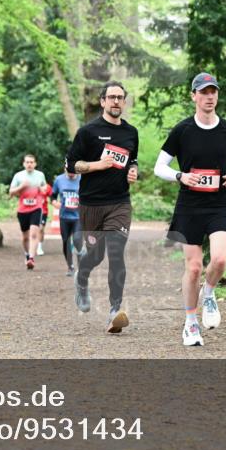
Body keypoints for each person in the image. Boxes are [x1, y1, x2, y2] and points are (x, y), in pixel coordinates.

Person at [154, 73, 226, 347]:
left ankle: (210, 292)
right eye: (203, 92)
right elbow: (159, 167)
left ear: (217, 96)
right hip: (189, 207)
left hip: (218, 205)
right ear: (193, 96)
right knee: (193, 268)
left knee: (218, 261)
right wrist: (180, 176)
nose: (209, 97)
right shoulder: (182, 130)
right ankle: (191, 324)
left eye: (213, 92)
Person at [66, 81, 139, 333]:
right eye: (112, 97)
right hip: (91, 204)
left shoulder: (131, 133)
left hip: (119, 203)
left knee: (116, 253)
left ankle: (114, 310)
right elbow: (71, 165)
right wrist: (97, 165)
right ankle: (81, 279)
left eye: (120, 97)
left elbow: (133, 161)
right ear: (103, 101)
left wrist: (133, 171)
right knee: (95, 255)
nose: (116, 101)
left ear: (124, 101)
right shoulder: (88, 132)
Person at [9, 154, 47, 270]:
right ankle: (27, 254)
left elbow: (45, 189)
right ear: (24, 164)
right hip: (23, 210)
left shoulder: (40, 175)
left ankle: (31, 258)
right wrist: (21, 186)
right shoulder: (18, 176)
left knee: (34, 234)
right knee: (25, 237)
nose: (29, 164)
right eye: (27, 162)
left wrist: (42, 189)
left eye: (31, 162)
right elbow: (11, 193)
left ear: (35, 164)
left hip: (36, 208)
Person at [51, 164, 83, 275]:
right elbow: (53, 196)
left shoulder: (83, 179)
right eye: (69, 170)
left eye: (73, 170)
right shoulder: (59, 180)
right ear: (64, 168)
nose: (71, 173)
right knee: (66, 242)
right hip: (64, 216)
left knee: (77, 240)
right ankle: (70, 266)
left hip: (78, 216)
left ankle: (80, 268)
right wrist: (55, 202)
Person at [37, 182, 53, 256]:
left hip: (43, 211)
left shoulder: (47, 187)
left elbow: (52, 196)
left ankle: (39, 247)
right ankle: (32, 245)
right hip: (31, 210)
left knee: (41, 229)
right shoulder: (32, 184)